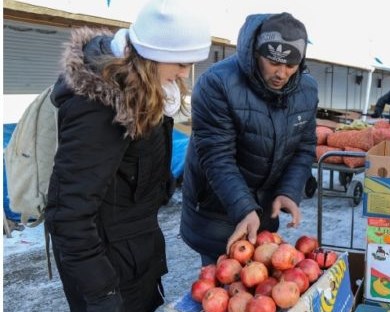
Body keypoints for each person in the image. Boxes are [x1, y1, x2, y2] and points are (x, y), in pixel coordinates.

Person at [43, 0, 211, 311]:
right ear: (156, 55)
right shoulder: (99, 107)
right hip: (107, 272)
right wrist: (103, 296)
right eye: (181, 62)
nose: (185, 72)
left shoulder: (144, 90)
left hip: (134, 256)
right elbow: (68, 215)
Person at [180, 12, 318, 265]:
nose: (282, 73)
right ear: (256, 52)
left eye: (291, 65)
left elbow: (304, 148)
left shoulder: (307, 90)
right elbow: (217, 156)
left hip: (264, 210)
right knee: (221, 279)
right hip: (218, 208)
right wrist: (244, 208)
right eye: (273, 62)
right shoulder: (217, 83)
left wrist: (289, 190)